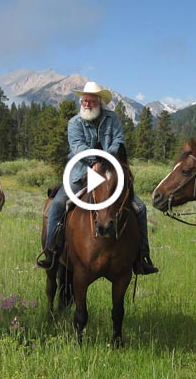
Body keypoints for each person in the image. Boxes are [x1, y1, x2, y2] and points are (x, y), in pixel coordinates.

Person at [37, 81, 158, 275]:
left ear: (99, 102)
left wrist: (104, 161)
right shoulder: (74, 123)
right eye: (84, 100)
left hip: (109, 174)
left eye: (90, 100)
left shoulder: (113, 119)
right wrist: (93, 160)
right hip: (80, 173)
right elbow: (77, 147)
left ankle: (142, 257)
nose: (86, 103)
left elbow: (118, 141)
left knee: (140, 208)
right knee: (58, 205)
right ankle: (51, 252)